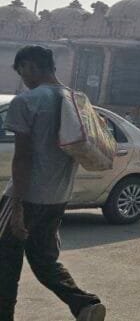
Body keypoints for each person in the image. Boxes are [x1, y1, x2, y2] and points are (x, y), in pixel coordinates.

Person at [0, 46, 106, 321]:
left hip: (27, 195)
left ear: (29, 66)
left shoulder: (27, 101)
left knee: (5, 261)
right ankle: (84, 304)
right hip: (58, 196)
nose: (23, 77)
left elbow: (23, 158)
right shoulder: (76, 99)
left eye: (21, 70)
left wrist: (17, 205)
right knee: (43, 258)